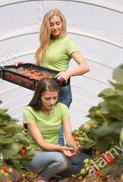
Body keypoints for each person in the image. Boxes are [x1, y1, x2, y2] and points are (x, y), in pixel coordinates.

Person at [18, 8, 90, 145]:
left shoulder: (66, 42)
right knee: (42, 126)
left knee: (56, 129)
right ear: (47, 26)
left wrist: (67, 73)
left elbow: (85, 66)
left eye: (58, 23)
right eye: (51, 24)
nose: (55, 27)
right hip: (44, 90)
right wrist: (25, 65)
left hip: (60, 92)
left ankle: (62, 161)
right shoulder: (46, 43)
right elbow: (41, 68)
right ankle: (49, 159)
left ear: (63, 23)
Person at [23, 78, 88, 182]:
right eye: (47, 98)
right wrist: (61, 148)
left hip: (55, 152)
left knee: (86, 162)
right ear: (39, 97)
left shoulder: (62, 109)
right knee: (63, 160)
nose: (52, 102)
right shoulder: (29, 112)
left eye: (55, 97)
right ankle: (42, 178)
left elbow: (68, 137)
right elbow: (41, 143)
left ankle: (53, 176)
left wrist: (75, 147)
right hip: (35, 155)